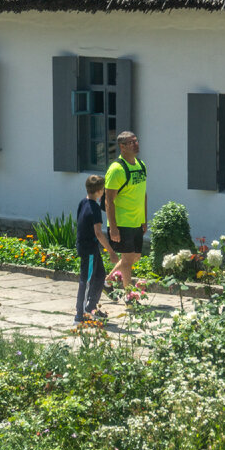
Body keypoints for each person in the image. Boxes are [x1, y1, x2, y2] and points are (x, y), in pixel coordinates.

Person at [105, 130, 147, 290]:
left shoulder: (141, 165)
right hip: (122, 222)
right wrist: (113, 228)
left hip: (137, 221)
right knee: (128, 260)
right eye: (131, 142)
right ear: (122, 147)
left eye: (136, 141)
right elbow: (109, 201)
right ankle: (130, 296)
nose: (136, 144)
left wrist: (144, 219)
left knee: (135, 257)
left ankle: (107, 281)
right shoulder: (117, 169)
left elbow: (143, 194)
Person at [75, 174, 116, 323]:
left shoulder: (83, 202)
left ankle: (91, 307)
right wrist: (111, 251)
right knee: (86, 281)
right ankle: (80, 315)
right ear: (100, 191)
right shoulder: (94, 208)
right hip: (89, 249)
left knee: (99, 276)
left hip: (89, 247)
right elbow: (98, 233)